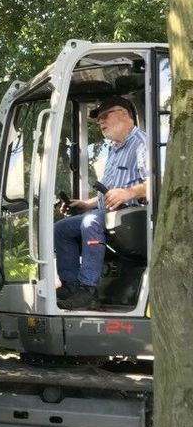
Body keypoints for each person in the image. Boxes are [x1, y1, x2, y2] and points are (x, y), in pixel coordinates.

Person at [54, 95, 148, 311]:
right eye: (99, 120)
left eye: (106, 116)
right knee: (62, 229)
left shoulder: (141, 143)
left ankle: (88, 290)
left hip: (134, 215)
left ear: (124, 114)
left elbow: (156, 183)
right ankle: (72, 286)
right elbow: (107, 193)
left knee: (90, 223)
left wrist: (128, 193)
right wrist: (86, 204)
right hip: (109, 214)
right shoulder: (114, 149)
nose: (101, 122)